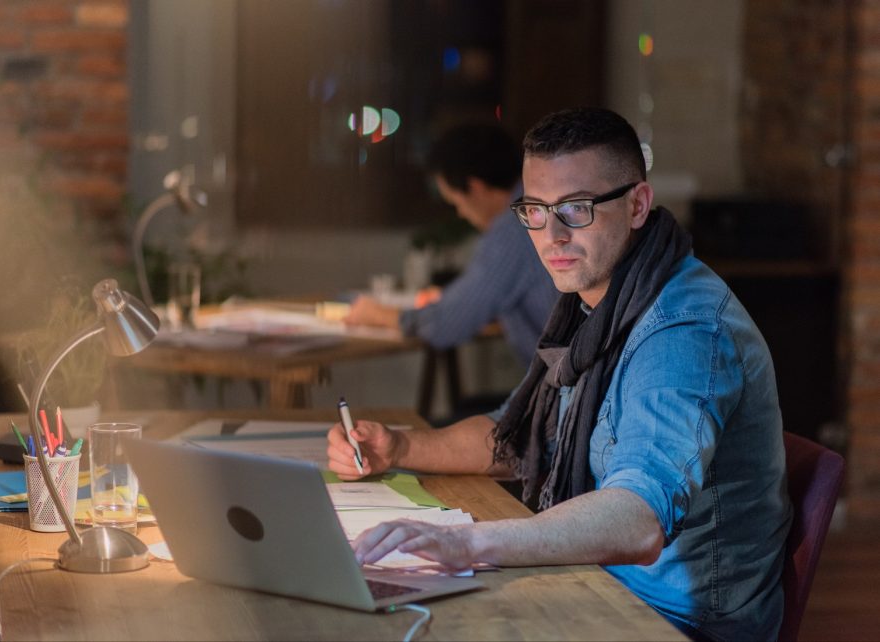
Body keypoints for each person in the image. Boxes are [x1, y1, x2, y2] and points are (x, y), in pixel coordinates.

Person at [328, 107, 792, 641]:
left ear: (637, 204)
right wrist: (398, 448)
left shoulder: (682, 332)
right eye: (535, 210)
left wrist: (470, 544)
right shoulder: (598, 305)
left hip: (672, 622)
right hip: (601, 586)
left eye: (576, 208)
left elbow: (639, 518)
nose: (552, 236)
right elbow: (518, 435)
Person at [344, 123, 557, 369]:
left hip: (568, 394)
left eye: (456, 202)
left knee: (463, 410)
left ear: (476, 188)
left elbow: (450, 322)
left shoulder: (513, 227)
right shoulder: (538, 208)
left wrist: (379, 315)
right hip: (568, 386)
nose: (461, 214)